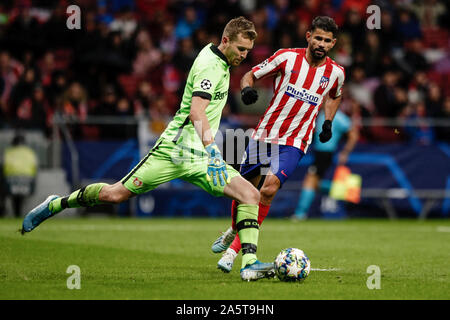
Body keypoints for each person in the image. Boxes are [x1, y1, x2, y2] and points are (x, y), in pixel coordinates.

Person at [21, 17, 274, 281]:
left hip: (199, 157)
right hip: (174, 151)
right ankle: (56, 204)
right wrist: (212, 150)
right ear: (225, 41)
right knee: (115, 194)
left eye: (247, 51)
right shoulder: (211, 66)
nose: (244, 56)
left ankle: (249, 263)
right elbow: (196, 110)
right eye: (240, 49)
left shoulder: (219, 60)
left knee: (250, 195)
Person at [211, 16, 345, 273]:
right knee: (244, 191)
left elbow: (334, 96)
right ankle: (233, 230)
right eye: (318, 38)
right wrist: (247, 90)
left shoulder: (336, 72)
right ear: (308, 36)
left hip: (295, 141)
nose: (321, 44)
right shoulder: (286, 57)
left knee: (269, 189)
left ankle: (233, 250)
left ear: (333, 43)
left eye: (327, 41)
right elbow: (250, 74)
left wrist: (328, 122)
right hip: (264, 135)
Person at [292, 108, 359, 220]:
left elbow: (354, 134)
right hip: (319, 153)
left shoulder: (337, 116)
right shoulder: (321, 113)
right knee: (315, 184)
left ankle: (300, 214)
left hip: (325, 153)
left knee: (310, 181)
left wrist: (345, 152)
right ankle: (345, 191)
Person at [2, 132, 37, 217]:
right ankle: (18, 213)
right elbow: (34, 167)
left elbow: (3, 166)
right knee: (19, 199)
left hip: (10, 179)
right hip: (28, 180)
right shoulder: (30, 152)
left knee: (8, 194)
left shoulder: (8, 152)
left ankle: (3, 208)